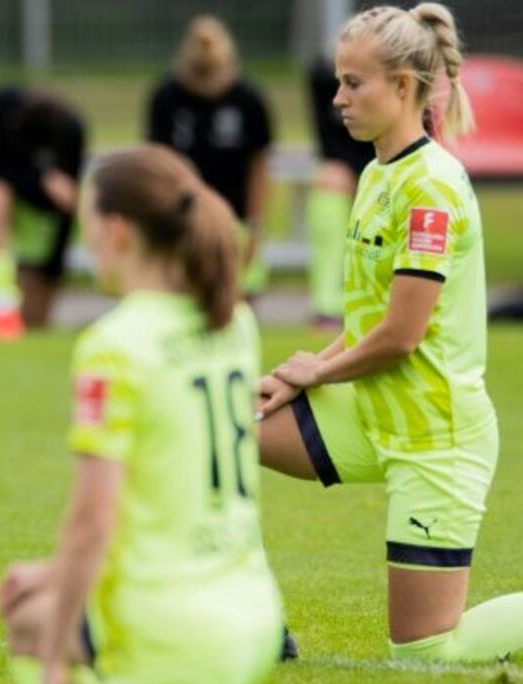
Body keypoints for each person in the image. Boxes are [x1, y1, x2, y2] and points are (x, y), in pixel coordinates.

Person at [258, 3, 523, 663]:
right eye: (339, 81)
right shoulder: (378, 175)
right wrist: (298, 372)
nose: (337, 98)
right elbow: (366, 323)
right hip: (371, 412)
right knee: (221, 427)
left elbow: (401, 334)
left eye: (354, 83)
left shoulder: (430, 187)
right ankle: (250, 620)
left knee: (425, 653)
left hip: (435, 437)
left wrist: (314, 373)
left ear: (404, 87)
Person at [0, 145, 283, 684]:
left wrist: (56, 653)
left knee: (32, 623)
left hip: (168, 627)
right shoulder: (234, 322)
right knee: (34, 599)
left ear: (120, 233)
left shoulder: (114, 344)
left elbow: (91, 522)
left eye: (89, 227)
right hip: (253, 614)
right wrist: (55, 574)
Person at [147, 15, 273, 297]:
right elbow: (158, 162)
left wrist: (254, 225)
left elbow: (259, 165)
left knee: (240, 297)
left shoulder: (247, 100)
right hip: (184, 220)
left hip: (235, 219)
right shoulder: (167, 97)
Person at [0, 87, 86, 339]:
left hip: (40, 217)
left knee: (35, 320)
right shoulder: (3, 105)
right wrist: (39, 178)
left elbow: (67, 209)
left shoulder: (72, 130)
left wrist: (52, 271)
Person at [306, 56, 377, 329]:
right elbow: (328, 141)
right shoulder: (322, 79)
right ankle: (327, 306)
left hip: (392, 162)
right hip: (349, 167)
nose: (339, 100)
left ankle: (388, 302)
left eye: (354, 84)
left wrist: (374, 175)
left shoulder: (398, 78)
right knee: (329, 182)